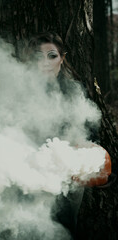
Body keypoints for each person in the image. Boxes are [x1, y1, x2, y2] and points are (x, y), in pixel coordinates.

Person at [24, 32, 112, 239]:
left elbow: (91, 135)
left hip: (67, 178)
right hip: (28, 174)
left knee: (62, 228)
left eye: (52, 56)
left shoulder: (75, 91)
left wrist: (87, 159)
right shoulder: (21, 90)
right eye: (38, 56)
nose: (45, 62)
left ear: (62, 59)